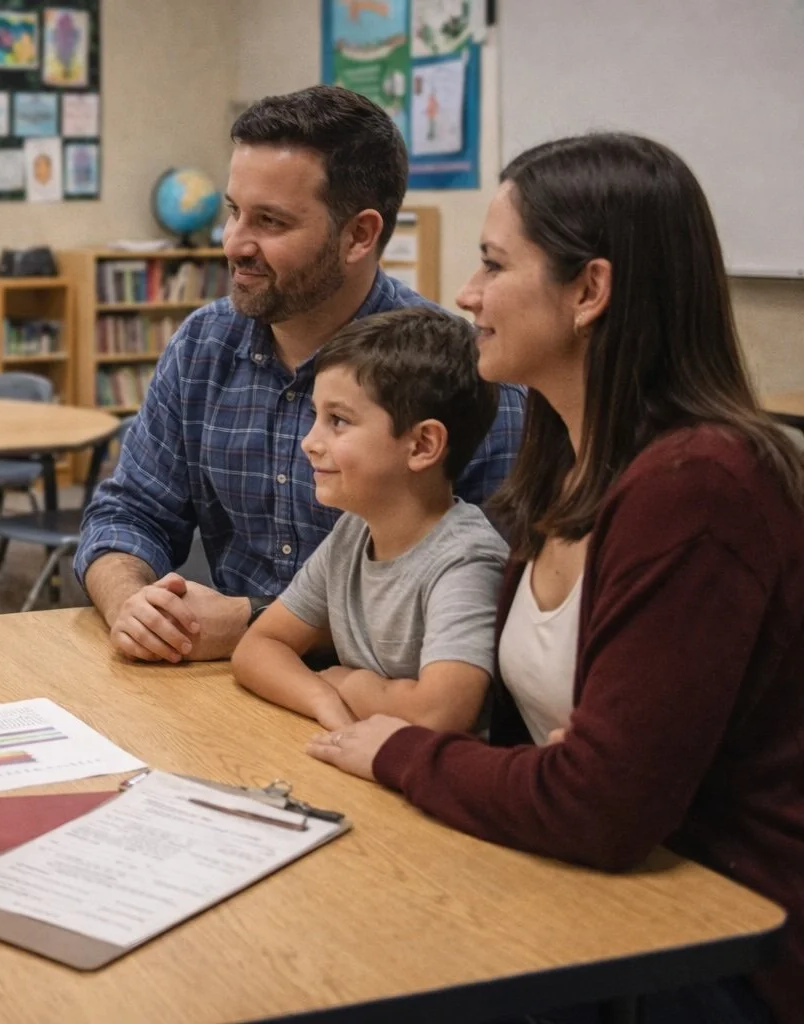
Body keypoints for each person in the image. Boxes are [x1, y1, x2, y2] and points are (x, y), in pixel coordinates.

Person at [306, 133, 804, 1023]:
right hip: (587, 894)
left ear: (590, 291)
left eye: (494, 264)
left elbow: (603, 806)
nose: (466, 295)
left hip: (721, 936)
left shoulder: (699, 486)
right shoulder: (563, 464)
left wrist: (401, 748)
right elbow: (560, 766)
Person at [75, 86, 524, 665]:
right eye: (234, 212)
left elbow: (493, 598)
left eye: (271, 222)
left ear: (359, 235)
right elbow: (129, 511)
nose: (235, 244)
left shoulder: (462, 374)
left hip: (378, 708)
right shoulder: (204, 347)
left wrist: (257, 623)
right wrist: (133, 604)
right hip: (226, 684)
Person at [233, 307, 507, 734]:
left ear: (422, 445)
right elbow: (257, 647)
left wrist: (349, 682)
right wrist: (321, 697)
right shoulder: (353, 531)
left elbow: (440, 715)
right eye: (316, 416)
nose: (309, 442)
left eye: (338, 421)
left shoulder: (466, 561)